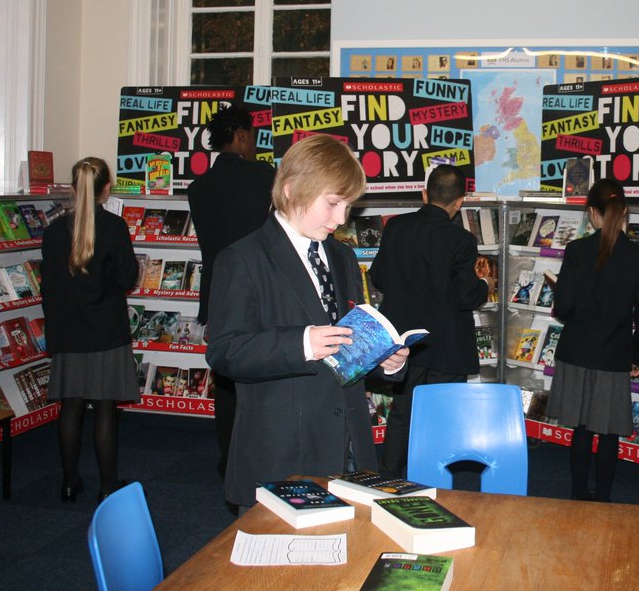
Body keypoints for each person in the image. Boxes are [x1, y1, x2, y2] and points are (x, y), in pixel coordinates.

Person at [205, 134, 409, 509]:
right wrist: (301, 343)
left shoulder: (343, 257)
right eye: (332, 203)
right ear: (292, 189)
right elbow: (225, 351)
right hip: (282, 452)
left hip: (349, 446)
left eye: (348, 205)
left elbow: (350, 342)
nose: (342, 218)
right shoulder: (243, 259)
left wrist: (383, 359)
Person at [370, 164, 493, 477]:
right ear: (460, 201)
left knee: (402, 412)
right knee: (441, 417)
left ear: (425, 194)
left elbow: (378, 277)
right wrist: (485, 285)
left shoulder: (396, 227)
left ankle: (387, 478)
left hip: (404, 341)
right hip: (446, 345)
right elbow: (465, 296)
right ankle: (431, 480)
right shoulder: (461, 240)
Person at [547, 178, 639, 502]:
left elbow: (564, 308)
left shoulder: (576, 251)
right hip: (614, 355)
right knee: (609, 432)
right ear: (623, 212)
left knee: (581, 430)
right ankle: (604, 498)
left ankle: (578, 495)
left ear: (592, 212)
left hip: (576, 353)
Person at [40, 157, 141, 503]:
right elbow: (127, 278)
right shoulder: (114, 227)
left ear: (73, 187)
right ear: (106, 188)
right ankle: (108, 485)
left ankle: (69, 483)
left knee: (70, 407)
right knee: (104, 409)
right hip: (105, 330)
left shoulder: (53, 231)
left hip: (67, 331)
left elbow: (48, 287)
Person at [185, 106, 276, 481]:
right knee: (263, 374)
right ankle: (261, 458)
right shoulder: (262, 176)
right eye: (252, 137)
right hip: (260, 290)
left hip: (217, 292)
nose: (254, 145)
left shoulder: (197, 188)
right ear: (240, 136)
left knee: (225, 380)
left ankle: (229, 460)